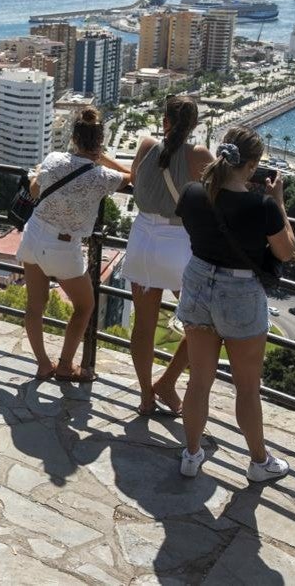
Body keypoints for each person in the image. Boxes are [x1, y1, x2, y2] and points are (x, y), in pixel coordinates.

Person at [174, 127, 295, 481]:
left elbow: (196, 231)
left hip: (197, 281)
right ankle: (259, 462)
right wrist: (279, 201)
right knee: (247, 387)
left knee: (199, 381)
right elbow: (286, 252)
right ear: (254, 165)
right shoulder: (262, 206)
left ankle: (192, 453)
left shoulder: (193, 193)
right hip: (240, 292)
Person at [17, 108, 131, 382]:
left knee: (35, 305)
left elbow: (34, 190)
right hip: (63, 247)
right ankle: (66, 365)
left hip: (33, 237)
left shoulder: (54, 159)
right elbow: (131, 176)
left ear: (74, 138)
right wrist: (101, 158)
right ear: (99, 141)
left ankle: (44, 364)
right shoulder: (102, 176)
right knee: (84, 306)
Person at [123, 96, 214, 416]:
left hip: (142, 241)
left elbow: (134, 178)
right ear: (193, 126)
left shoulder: (147, 145)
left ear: (164, 121)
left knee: (143, 326)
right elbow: (218, 194)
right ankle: (168, 381)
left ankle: (146, 395)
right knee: (204, 323)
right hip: (178, 245)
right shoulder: (199, 155)